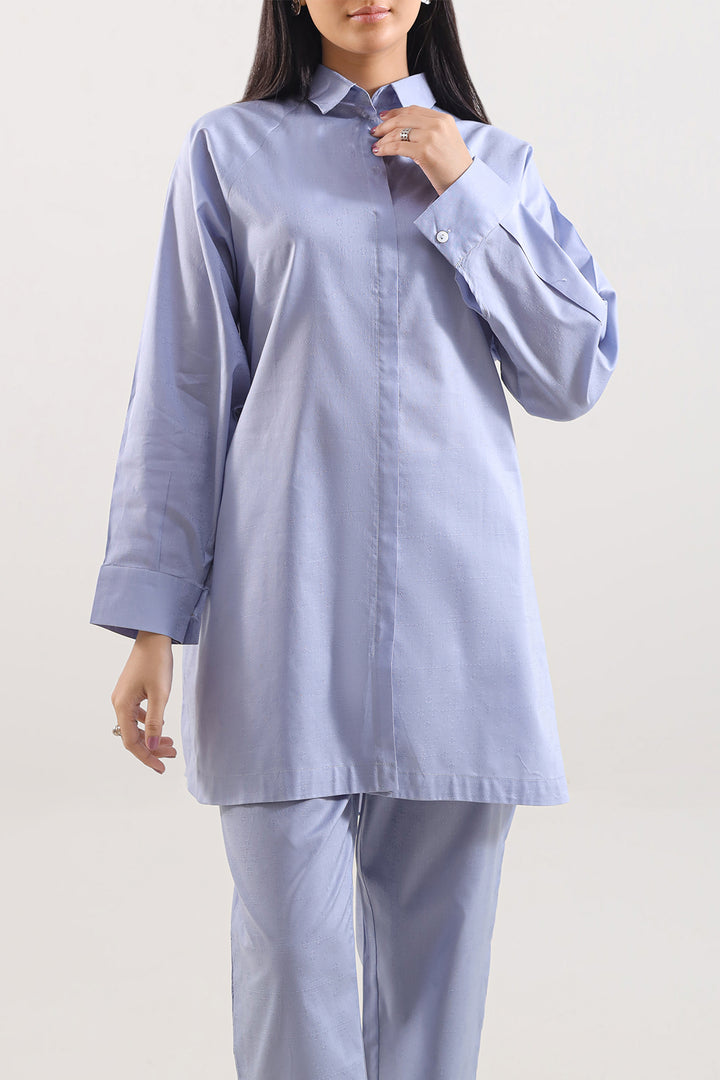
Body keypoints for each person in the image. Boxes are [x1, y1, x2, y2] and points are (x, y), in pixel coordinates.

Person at [89, 1, 619, 1076]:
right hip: (282, 613)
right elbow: (185, 392)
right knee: (292, 970)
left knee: (435, 994)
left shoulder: (498, 164)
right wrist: (151, 623)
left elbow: (572, 372)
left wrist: (463, 189)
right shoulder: (229, 152)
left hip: (458, 621)